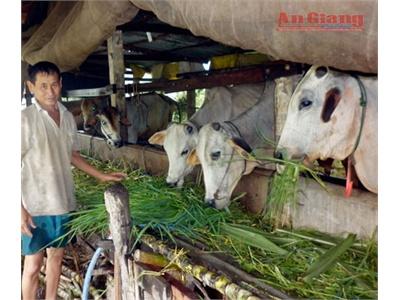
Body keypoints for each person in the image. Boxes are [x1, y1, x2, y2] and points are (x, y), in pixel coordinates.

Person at [21, 61, 127, 300]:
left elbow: (72, 155)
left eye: (55, 85)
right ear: (30, 87)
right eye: (43, 86)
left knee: (56, 259)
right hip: (34, 205)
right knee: (33, 265)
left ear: (61, 84)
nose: (50, 92)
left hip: (63, 201)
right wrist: (19, 210)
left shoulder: (68, 116)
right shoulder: (24, 120)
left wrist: (102, 175)